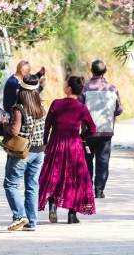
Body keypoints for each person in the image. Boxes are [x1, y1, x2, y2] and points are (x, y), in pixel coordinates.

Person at [38, 76, 97, 224]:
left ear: (69, 88)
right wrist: (81, 137)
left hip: (56, 144)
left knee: (54, 175)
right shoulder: (81, 108)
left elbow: (47, 125)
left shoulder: (56, 104)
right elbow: (93, 129)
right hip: (74, 146)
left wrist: (45, 142)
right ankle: (72, 214)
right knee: (75, 178)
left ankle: (52, 206)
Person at [3, 75, 46, 232]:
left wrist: (5, 124)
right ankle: (32, 222)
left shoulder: (19, 108)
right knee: (32, 186)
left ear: (21, 91)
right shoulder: (41, 106)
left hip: (22, 153)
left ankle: (20, 216)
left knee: (11, 184)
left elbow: (14, 131)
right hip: (39, 152)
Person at [79, 59, 123, 199]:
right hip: (106, 131)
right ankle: (99, 190)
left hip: (87, 133)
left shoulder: (85, 88)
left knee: (87, 161)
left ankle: (87, 189)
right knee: (103, 161)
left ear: (91, 70)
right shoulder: (112, 89)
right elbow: (119, 109)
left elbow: (79, 108)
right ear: (105, 71)